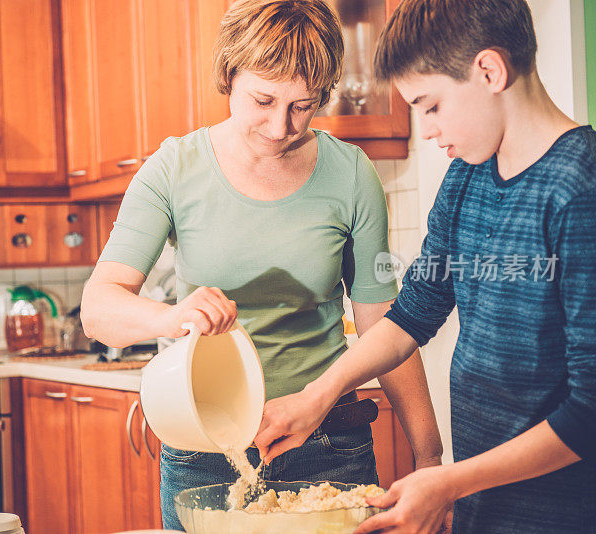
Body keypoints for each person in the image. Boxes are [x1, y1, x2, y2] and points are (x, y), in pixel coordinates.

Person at [80, 0, 443, 530]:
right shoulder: (174, 169)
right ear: (229, 74)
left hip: (328, 442)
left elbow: (383, 324)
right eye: (264, 99)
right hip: (202, 447)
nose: (280, 127)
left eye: (303, 106)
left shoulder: (352, 175)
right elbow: (98, 306)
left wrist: (430, 457)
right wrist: (170, 317)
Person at [253, 0, 596, 532]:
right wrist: (317, 397)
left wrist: (451, 480)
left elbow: (589, 414)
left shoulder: (581, 190)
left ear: (489, 70)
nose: (428, 130)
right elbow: (413, 313)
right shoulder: (466, 178)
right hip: (484, 507)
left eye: (431, 105)